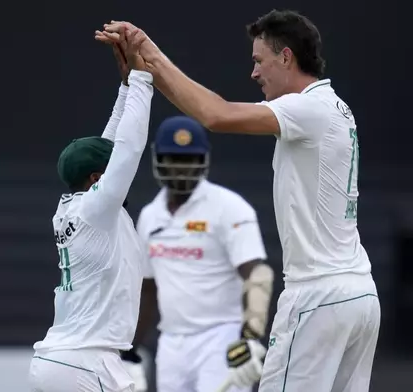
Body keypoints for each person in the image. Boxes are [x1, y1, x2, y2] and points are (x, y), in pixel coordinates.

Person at [96, 9, 381, 392]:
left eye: (258, 61)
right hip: (359, 293)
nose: (254, 73)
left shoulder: (307, 108)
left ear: (286, 57)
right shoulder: (334, 107)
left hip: (318, 294)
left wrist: (151, 57)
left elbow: (215, 115)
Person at [28, 39, 154, 392]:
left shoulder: (75, 206)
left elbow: (108, 145)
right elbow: (127, 149)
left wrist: (126, 86)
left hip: (63, 359)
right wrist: (143, 82)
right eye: (108, 171)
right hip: (85, 362)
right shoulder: (97, 209)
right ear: (97, 179)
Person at [119, 114, 274, 392]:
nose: (180, 170)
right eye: (173, 161)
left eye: (188, 161)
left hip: (222, 338)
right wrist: (130, 349)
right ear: (158, 160)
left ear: (203, 161)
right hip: (171, 343)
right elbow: (148, 290)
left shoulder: (229, 208)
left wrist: (250, 335)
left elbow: (257, 273)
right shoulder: (150, 216)